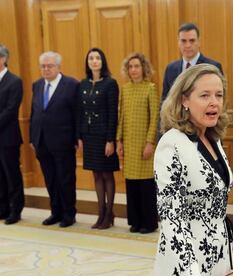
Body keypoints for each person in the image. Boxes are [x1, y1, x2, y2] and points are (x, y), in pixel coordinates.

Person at [154, 64, 233, 276]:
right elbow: (171, 215)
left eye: (218, 95)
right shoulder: (172, 144)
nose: (214, 103)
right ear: (184, 100)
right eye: (205, 95)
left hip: (219, 264)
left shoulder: (211, 137)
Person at [30, 51, 79, 227]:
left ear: (59, 67)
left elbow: (76, 114)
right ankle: (55, 212)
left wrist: (77, 138)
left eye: (50, 66)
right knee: (50, 179)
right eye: (43, 66)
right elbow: (34, 112)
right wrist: (32, 138)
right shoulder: (36, 85)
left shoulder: (71, 84)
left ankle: (69, 213)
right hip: (41, 142)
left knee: (65, 179)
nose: (46, 69)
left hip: (63, 141)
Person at [116, 53, 159, 234]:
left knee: (146, 185)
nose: (133, 70)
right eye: (131, 67)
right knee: (131, 184)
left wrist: (150, 142)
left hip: (144, 144)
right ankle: (135, 221)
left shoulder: (150, 88)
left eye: (137, 66)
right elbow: (121, 116)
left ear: (144, 68)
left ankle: (148, 223)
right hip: (129, 143)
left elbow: (155, 117)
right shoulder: (125, 89)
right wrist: (119, 140)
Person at [78, 48, 119, 230]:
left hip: (104, 136)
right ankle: (101, 212)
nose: (94, 61)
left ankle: (109, 213)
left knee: (107, 174)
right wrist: (80, 137)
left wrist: (111, 140)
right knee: (96, 174)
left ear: (103, 62)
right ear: (87, 62)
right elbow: (80, 112)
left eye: (97, 58)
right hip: (89, 136)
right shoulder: (83, 84)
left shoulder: (110, 84)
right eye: (91, 58)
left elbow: (112, 114)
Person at [161, 23, 223, 101]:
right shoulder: (170, 69)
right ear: (178, 42)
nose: (187, 45)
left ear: (199, 42)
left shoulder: (212, 66)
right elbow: (165, 100)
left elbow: (220, 98)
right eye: (183, 41)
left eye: (192, 40)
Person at [0, 44, 24, 225]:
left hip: (8, 137)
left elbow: (10, 110)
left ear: (4, 59)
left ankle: (16, 209)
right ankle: (3, 208)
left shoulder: (14, 81)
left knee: (11, 173)